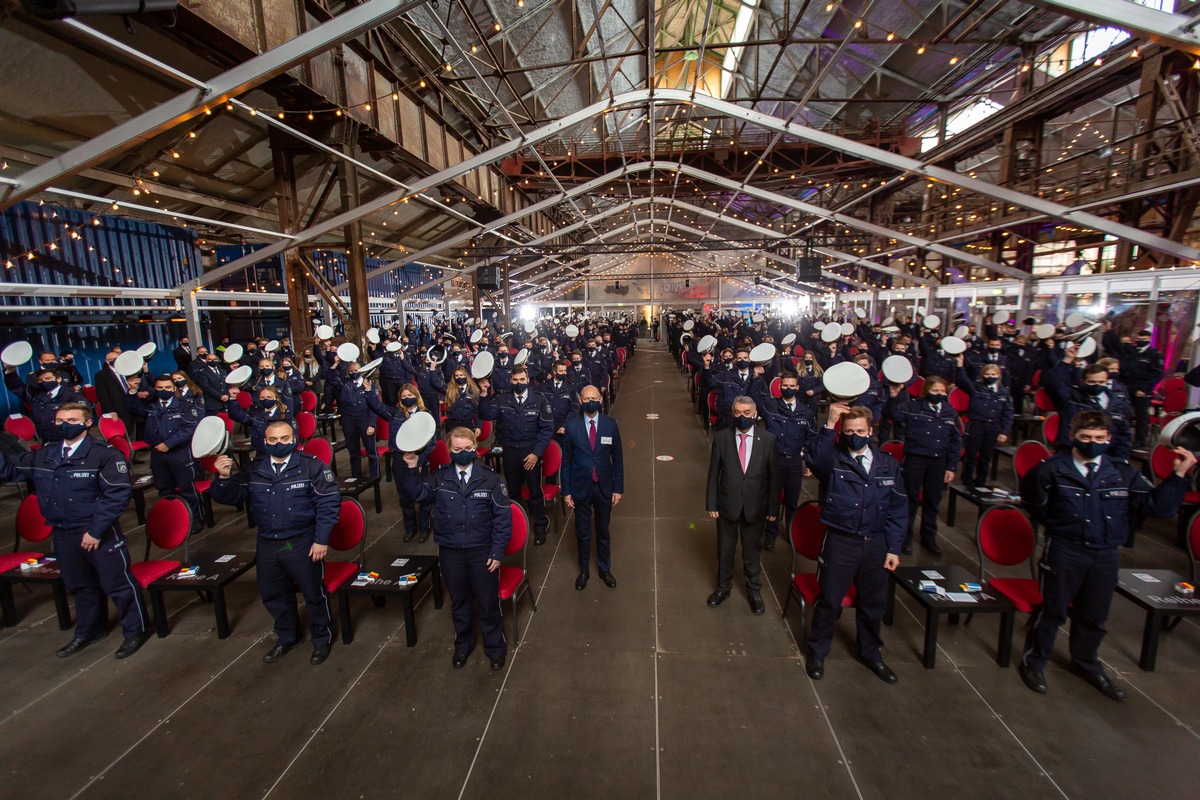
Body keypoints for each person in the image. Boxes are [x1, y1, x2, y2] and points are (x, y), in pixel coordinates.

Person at [1019, 410, 1196, 699]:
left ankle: (1086, 663)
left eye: (1100, 438)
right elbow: (1035, 505)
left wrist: (1178, 473)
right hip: (1065, 550)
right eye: (1086, 437)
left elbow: (1158, 508)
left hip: (1105, 554)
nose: (1093, 442)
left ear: (1109, 439)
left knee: (1094, 615)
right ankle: (1034, 662)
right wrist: (1063, 527)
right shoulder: (1050, 470)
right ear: (1072, 437)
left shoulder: (1123, 473)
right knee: (1053, 611)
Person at [0, 402, 149, 658]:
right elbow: (11, 471)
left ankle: (136, 631)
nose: (64, 424)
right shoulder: (45, 454)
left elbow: (117, 495)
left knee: (119, 584)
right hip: (62, 531)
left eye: (71, 419)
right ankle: (89, 631)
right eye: (60, 420)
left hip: (95, 531)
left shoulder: (104, 455)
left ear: (87, 422)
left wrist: (95, 531)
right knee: (81, 586)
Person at [210, 420, 340, 665]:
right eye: (272, 440)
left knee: (313, 594)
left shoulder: (312, 467)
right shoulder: (254, 468)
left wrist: (321, 540)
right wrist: (223, 477)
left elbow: (328, 504)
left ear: (294, 440)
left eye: (284, 439)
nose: (278, 444)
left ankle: (321, 639)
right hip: (268, 542)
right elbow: (232, 496)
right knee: (273, 594)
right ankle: (287, 637)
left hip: (301, 541)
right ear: (264, 442)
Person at [804, 402, 907, 683]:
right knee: (830, 601)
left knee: (874, 602)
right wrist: (830, 424)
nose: (855, 435)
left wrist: (894, 548)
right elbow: (814, 458)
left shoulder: (888, 464)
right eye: (849, 431)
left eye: (860, 430)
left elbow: (898, 508)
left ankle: (871, 652)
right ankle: (817, 651)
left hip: (875, 543)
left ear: (870, 431)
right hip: (841, 541)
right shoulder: (833, 459)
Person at [398, 427, 512, 671]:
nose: (463, 453)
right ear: (449, 450)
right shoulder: (440, 478)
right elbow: (415, 494)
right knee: (459, 601)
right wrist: (411, 468)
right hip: (451, 552)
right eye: (457, 449)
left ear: (475, 448)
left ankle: (495, 647)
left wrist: (497, 552)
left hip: (482, 551)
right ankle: (464, 644)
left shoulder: (491, 479)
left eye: (468, 449)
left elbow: (503, 519)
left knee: (487, 602)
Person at [705, 395, 780, 615]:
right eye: (737, 412)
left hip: (755, 507)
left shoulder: (768, 440)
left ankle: (754, 590)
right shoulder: (722, 438)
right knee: (725, 550)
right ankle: (723, 588)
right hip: (727, 505)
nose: (742, 416)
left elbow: (774, 478)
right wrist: (711, 503)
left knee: (751, 552)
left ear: (755, 414)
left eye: (747, 413)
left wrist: (772, 509)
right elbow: (713, 474)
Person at [884, 376, 962, 556]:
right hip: (915, 459)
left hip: (938, 461)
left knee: (932, 501)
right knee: (910, 499)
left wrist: (951, 467)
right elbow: (892, 415)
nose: (939, 394)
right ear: (926, 391)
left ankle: (929, 537)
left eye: (942, 391)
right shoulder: (913, 407)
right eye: (935, 391)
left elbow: (955, 442)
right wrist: (894, 397)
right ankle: (905, 538)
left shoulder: (950, 412)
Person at [479, 366, 554, 546]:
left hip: (530, 452)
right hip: (510, 450)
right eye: (515, 380)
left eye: (521, 380)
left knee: (535, 491)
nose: (518, 383)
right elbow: (486, 414)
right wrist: (483, 395)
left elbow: (547, 430)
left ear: (527, 379)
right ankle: (518, 526)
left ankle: (540, 526)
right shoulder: (502, 399)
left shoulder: (539, 400)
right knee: (513, 492)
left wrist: (536, 454)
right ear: (510, 381)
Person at [560, 385, 623, 590]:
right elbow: (566, 462)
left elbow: (618, 460)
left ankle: (605, 569)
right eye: (586, 398)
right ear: (580, 400)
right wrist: (566, 491)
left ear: (601, 400)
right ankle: (584, 570)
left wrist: (617, 488)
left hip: (604, 487)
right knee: (583, 532)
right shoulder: (572, 426)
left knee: (603, 531)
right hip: (580, 487)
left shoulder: (610, 425)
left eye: (594, 398)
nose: (590, 401)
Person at [749, 370, 817, 550]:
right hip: (774, 460)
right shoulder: (771, 406)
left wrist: (809, 462)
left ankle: (792, 534)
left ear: (797, 387)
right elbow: (753, 398)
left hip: (795, 461)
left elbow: (811, 439)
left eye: (792, 386)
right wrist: (756, 379)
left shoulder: (806, 412)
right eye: (785, 386)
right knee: (772, 500)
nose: (788, 388)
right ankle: (770, 535)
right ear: (780, 387)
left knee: (792, 501)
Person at [125, 374, 203, 530]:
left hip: (179, 453)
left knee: (186, 488)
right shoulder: (151, 405)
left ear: (174, 388)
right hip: (158, 454)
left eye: (167, 387)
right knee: (164, 489)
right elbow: (131, 407)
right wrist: (132, 392)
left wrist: (168, 444)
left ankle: (196, 520)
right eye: (160, 388)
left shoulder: (185, 405)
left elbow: (190, 428)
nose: (164, 390)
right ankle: (172, 521)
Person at [364, 380, 435, 541]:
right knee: (404, 496)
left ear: (416, 397)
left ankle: (424, 528)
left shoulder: (425, 415)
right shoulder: (396, 413)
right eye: (404, 396)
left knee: (423, 495)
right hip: (400, 459)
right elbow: (378, 407)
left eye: (410, 395)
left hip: (419, 459)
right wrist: (369, 391)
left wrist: (420, 462)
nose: (407, 398)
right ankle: (410, 528)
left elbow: (432, 443)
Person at [955, 358, 1014, 489]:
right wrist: (960, 366)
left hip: (993, 427)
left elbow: (1008, 413)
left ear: (999, 375)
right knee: (971, 455)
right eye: (987, 374)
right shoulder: (976, 387)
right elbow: (962, 381)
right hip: (976, 424)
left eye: (993, 374)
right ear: (982, 376)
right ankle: (967, 480)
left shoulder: (1004, 392)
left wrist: (1004, 431)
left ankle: (981, 481)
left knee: (986, 457)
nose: (990, 377)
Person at [4, 364, 90, 443]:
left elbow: (85, 419)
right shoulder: (35, 395)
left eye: (48, 378)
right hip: (45, 441)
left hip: (69, 440)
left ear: (58, 379)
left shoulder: (72, 396)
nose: (44, 381)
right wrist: (10, 371)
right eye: (40, 380)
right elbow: (17, 387)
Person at [1119, 329, 1163, 448]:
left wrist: (1145, 389)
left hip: (1143, 390)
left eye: (1144, 340)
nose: (1140, 342)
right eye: (1138, 339)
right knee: (1125, 414)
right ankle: (1124, 438)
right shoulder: (1132, 352)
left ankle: (1140, 441)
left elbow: (1157, 374)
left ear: (1149, 340)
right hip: (1128, 388)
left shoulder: (1154, 354)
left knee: (1141, 416)